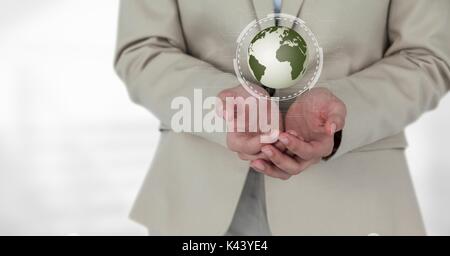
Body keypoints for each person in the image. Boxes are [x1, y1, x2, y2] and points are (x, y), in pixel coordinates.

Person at [114, 0, 450, 235]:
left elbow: (428, 57)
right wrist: (222, 108)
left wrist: (345, 108)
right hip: (196, 202)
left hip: (356, 202)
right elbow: (142, 49)